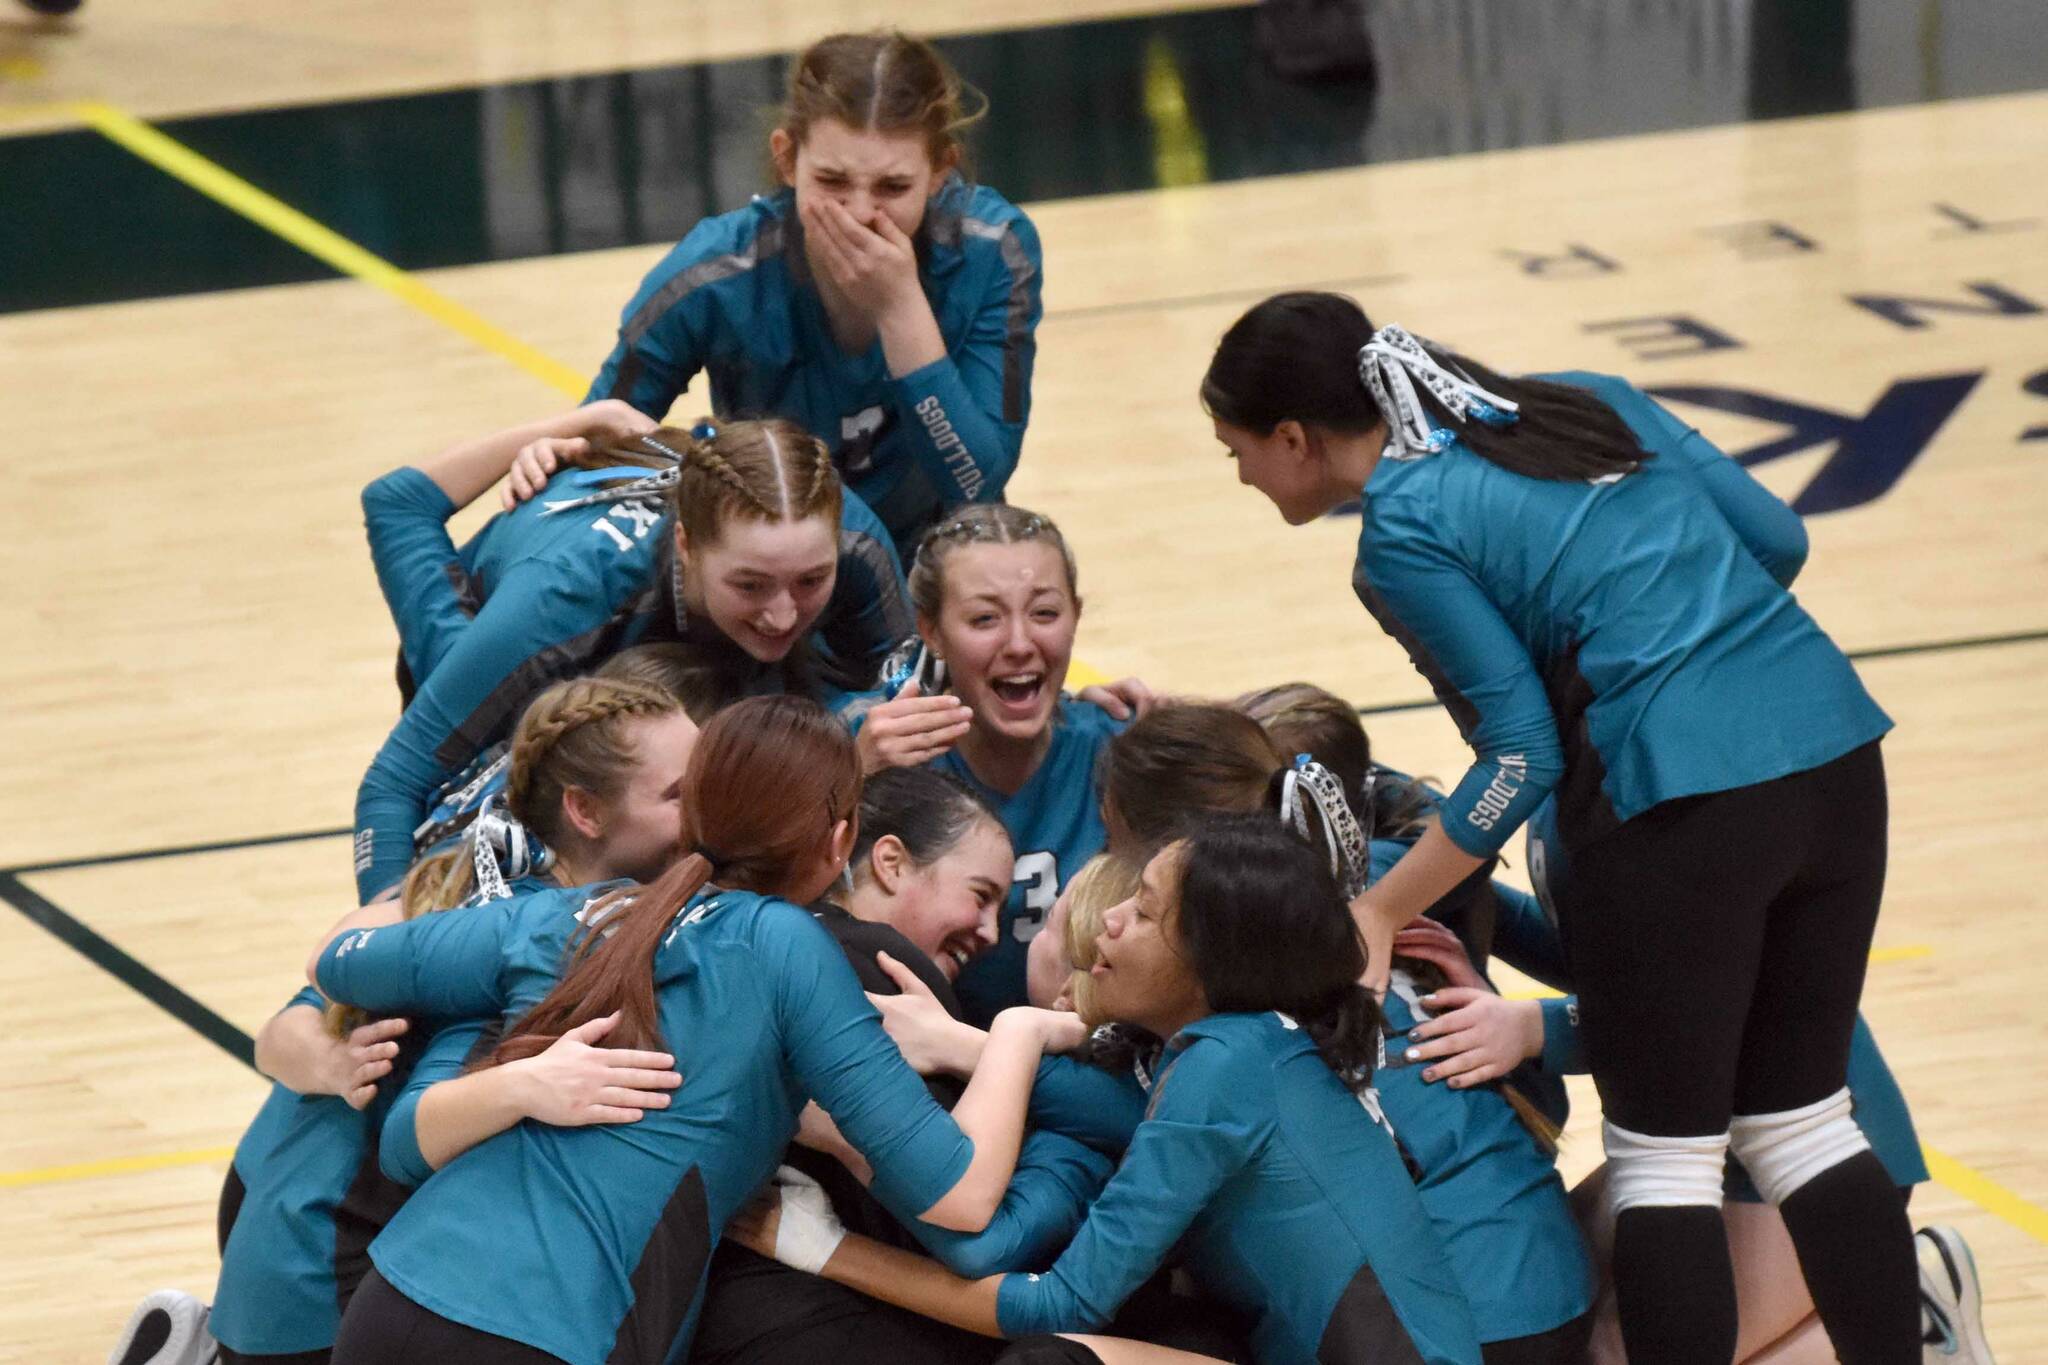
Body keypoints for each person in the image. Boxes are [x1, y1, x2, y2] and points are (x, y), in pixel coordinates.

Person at [1201, 291, 1913, 1364]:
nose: (1243, 479)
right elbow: (1776, 539)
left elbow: (1520, 758)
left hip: (1678, 800)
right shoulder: (1589, 401)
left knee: (1665, 1160)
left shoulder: (1400, 529)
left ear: (1294, 438)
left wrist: (1377, 913)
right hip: (1831, 753)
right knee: (1800, 1121)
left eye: (1237, 452)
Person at [311, 695, 1081, 1365]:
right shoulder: (787, 945)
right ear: (842, 841)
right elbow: (964, 1197)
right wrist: (1012, 1033)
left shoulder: (574, 912)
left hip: (394, 1302)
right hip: (550, 1337)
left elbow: (337, 962)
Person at [735, 816, 1485, 1365]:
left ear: (1208, 962)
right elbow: (1108, 1105)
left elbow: (1050, 1301)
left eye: (1145, 910)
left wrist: (822, 1244)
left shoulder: (1220, 1065)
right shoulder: (1246, 1046)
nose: (1109, 924)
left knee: (1048, 1360)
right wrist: (984, 1042)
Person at [107, 678, 697, 1365]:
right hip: (320, 1282)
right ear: (586, 811)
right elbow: (374, 1102)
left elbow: (285, 1026)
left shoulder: (459, 879)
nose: (709, 807)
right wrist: (338, 1063)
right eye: (679, 795)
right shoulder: (524, 936)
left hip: (268, 1222)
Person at [351, 408, 910, 901]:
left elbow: (903, 696)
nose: (784, 614)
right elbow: (393, 784)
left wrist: (852, 731)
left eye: (812, 581)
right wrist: (385, 935)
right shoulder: (557, 605)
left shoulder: (850, 538)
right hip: (525, 638)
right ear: (688, 547)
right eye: (751, 585)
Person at [582, 30, 1043, 552]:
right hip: (776, 577)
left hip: (931, 566)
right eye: (831, 181)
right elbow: (596, 454)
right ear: (787, 159)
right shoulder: (715, 274)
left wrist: (899, 308)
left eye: (893, 188)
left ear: (940, 172)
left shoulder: (992, 250)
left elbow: (974, 490)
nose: (860, 213)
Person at [851, 504, 1133, 1023]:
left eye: (1045, 614)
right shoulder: (874, 752)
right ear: (930, 630)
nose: (1021, 644)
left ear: (1076, 614)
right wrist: (846, 784)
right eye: (985, 619)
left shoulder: (1127, 752)